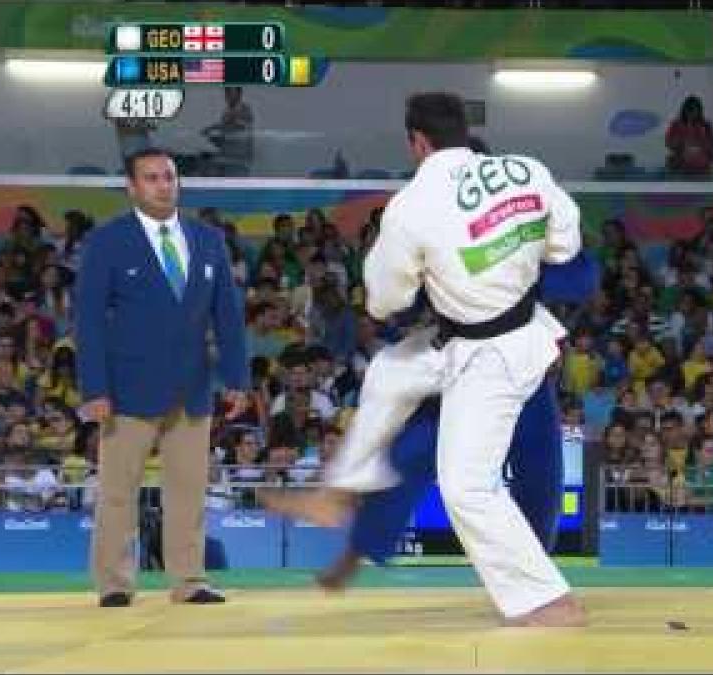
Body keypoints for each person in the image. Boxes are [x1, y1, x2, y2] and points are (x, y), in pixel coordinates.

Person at [262, 92, 584, 627]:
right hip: (493, 332)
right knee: (388, 374)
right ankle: (337, 491)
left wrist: (436, 276)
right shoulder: (527, 171)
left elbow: (385, 300)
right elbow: (565, 244)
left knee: (465, 483)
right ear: (464, 128)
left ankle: (548, 599)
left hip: (492, 354)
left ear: (417, 141)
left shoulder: (412, 205)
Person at [318, 250, 598, 589]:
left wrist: (536, 261)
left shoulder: (525, 226)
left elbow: (578, 281)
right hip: (456, 361)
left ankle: (532, 572)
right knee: (411, 454)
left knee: (540, 474)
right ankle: (359, 547)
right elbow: (398, 301)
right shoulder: (435, 231)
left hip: (520, 364)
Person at [74, 147, 250, 608]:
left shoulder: (207, 239)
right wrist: (94, 389)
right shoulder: (109, 242)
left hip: (193, 388)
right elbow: (88, 320)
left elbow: (228, 317)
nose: (162, 185)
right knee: (118, 492)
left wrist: (236, 378)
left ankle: (189, 580)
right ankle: (114, 582)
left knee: (189, 490)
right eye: (151, 178)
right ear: (132, 187)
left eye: (169, 176)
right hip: (126, 391)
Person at [202, 87, 254, 177]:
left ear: (239, 94)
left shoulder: (244, 110)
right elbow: (224, 130)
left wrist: (217, 128)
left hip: (239, 160)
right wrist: (213, 136)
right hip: (227, 156)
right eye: (226, 93)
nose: (227, 96)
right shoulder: (226, 112)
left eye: (230, 93)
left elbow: (237, 127)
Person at [665, 96, 713, 178]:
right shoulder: (676, 125)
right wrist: (682, 142)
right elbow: (669, 143)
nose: (692, 113)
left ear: (699, 110)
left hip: (702, 167)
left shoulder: (705, 125)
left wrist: (700, 144)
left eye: (694, 109)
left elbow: (712, 143)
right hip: (681, 165)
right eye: (689, 109)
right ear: (684, 110)